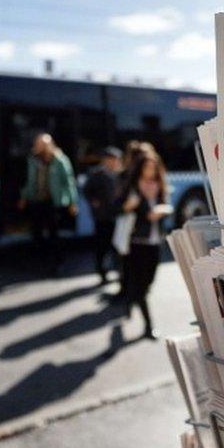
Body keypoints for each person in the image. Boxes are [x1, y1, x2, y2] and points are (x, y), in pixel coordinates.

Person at [116, 149, 172, 340]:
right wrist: (127, 206)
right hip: (136, 241)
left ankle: (130, 299)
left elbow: (167, 205)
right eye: (147, 167)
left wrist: (163, 211)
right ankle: (149, 327)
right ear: (140, 168)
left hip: (155, 241)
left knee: (148, 282)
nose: (150, 171)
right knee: (141, 286)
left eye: (154, 167)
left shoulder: (160, 185)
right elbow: (115, 207)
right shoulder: (132, 186)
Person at [17, 133, 79, 273]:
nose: (40, 147)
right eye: (38, 144)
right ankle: (40, 261)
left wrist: (73, 202)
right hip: (37, 200)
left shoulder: (60, 160)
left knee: (54, 233)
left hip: (53, 202)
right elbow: (29, 181)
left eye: (42, 144)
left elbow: (69, 182)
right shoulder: (32, 159)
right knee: (37, 232)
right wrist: (23, 197)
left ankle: (58, 262)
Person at [83, 146, 124, 285]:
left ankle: (119, 272)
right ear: (106, 160)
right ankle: (101, 272)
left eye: (116, 159)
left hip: (117, 215)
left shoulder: (120, 174)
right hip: (102, 216)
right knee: (102, 246)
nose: (114, 162)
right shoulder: (96, 173)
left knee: (117, 246)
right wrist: (94, 202)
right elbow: (87, 191)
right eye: (111, 159)